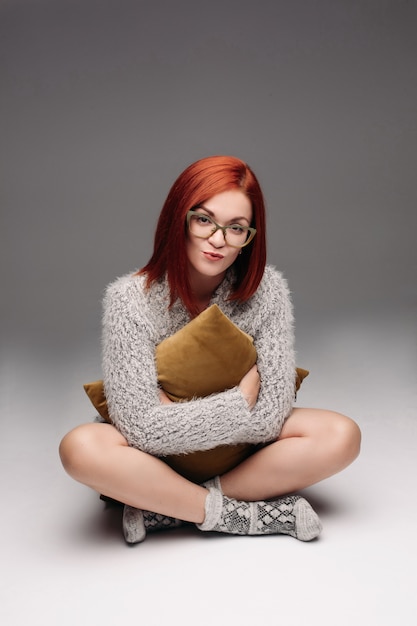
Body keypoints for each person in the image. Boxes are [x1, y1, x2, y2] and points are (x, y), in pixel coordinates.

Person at [59, 155, 361, 544]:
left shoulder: (267, 289)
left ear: (250, 237)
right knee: (80, 448)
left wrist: (170, 413)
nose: (218, 240)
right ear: (177, 219)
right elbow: (139, 430)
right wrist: (237, 403)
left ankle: (165, 506)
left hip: (239, 451)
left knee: (341, 434)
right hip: (155, 457)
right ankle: (242, 515)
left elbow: (271, 417)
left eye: (236, 228)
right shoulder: (129, 299)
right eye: (204, 220)